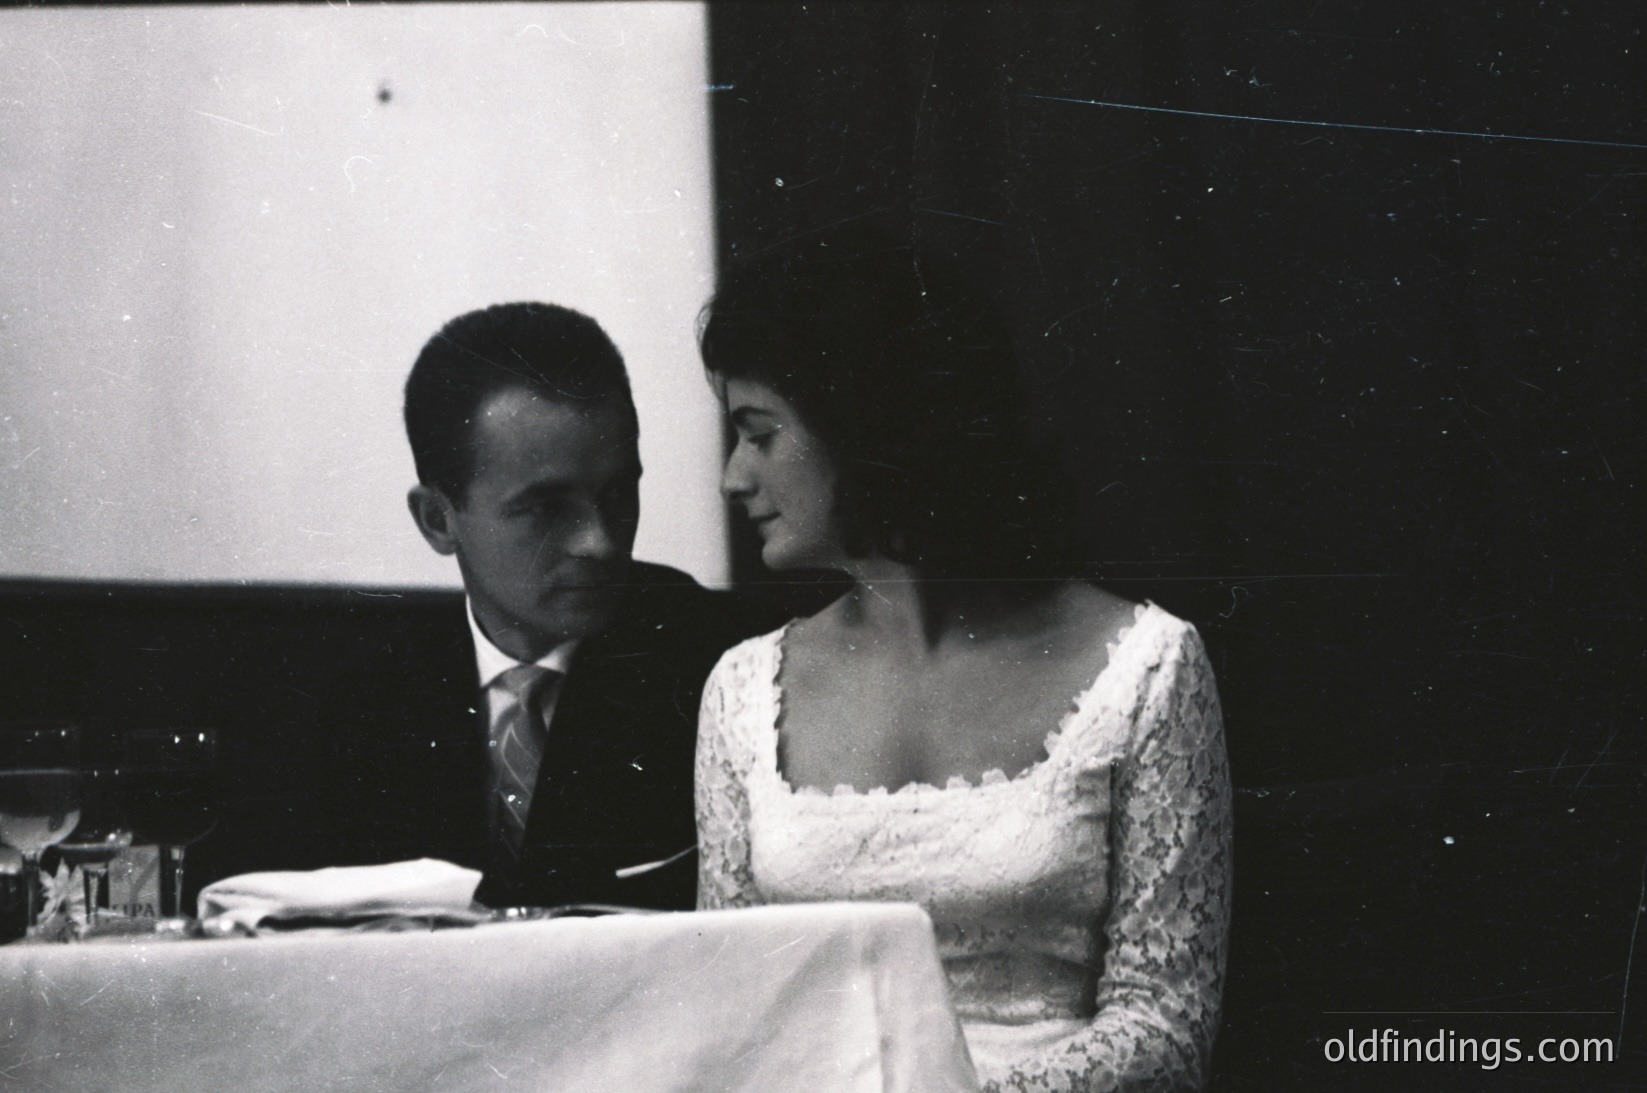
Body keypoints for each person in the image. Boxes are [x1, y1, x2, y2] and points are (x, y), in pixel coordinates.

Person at [693, 231, 1233, 1091]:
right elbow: (727, 1005)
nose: (733, 477)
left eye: (759, 433)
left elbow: (1163, 1021)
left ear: (863, 425)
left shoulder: (1147, 664)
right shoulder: (741, 691)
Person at [386, 301, 762, 909]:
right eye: (546, 506)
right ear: (437, 520)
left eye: (618, 493)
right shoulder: (362, 706)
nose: (601, 541)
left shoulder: (728, 666)